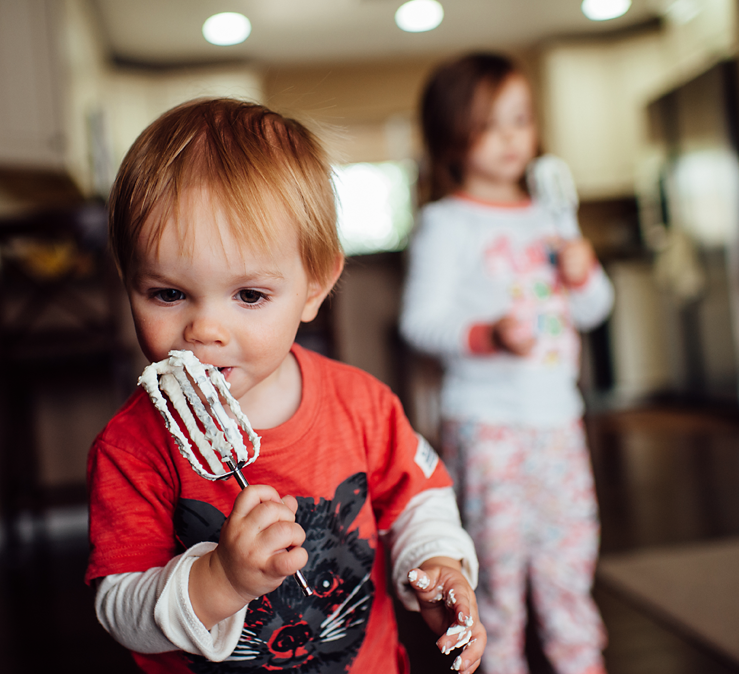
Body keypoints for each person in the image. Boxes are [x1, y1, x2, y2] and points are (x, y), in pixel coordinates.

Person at [86, 97, 487, 674]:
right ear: (128, 280)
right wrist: (218, 578)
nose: (205, 329)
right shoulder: (132, 448)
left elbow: (420, 501)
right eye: (167, 293)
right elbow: (120, 609)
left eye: (249, 295)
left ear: (315, 287)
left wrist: (439, 563)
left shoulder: (364, 406)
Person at [400, 53, 614, 674]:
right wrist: (487, 334)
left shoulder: (552, 214)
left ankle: (581, 660)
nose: (511, 137)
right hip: (487, 423)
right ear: (451, 138)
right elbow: (420, 323)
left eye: (520, 119)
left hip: (559, 422)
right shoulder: (446, 224)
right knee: (497, 568)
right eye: (489, 124)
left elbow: (595, 310)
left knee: (568, 559)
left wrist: (585, 271)